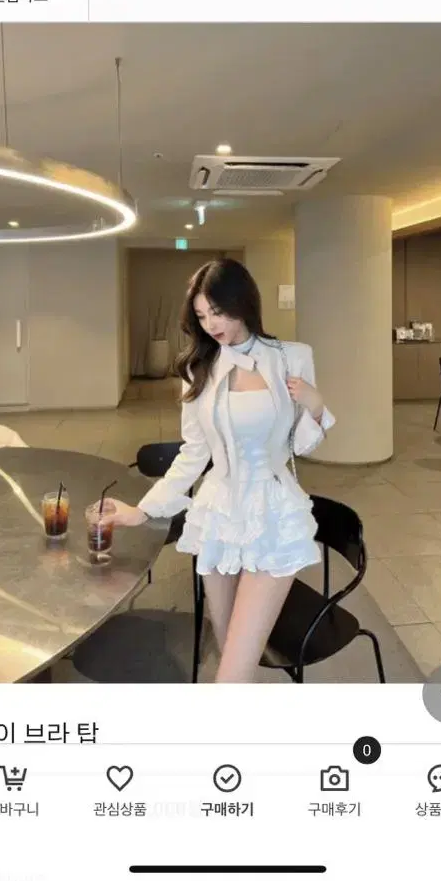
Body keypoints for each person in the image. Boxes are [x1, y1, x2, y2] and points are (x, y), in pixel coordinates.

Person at [110, 258, 335, 683]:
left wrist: (316, 405)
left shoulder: (292, 357)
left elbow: (303, 444)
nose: (210, 324)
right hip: (217, 512)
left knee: (230, 675)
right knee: (230, 652)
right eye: (201, 316)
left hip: (271, 513)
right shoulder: (197, 367)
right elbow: (194, 452)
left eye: (217, 311)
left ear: (243, 303)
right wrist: (143, 510)